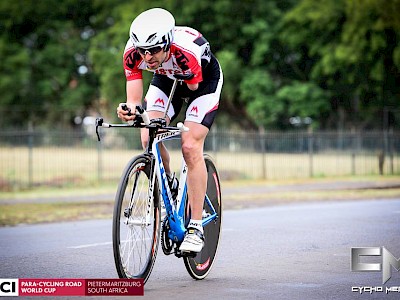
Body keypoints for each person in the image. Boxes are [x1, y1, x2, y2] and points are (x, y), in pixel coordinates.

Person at [116, 7, 223, 253]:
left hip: (201, 82)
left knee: (189, 145)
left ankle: (196, 227)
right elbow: (134, 98)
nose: (147, 56)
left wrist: (178, 123)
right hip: (167, 78)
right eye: (143, 50)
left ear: (167, 42)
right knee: (147, 134)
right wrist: (130, 110)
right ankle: (169, 183)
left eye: (153, 50)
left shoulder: (187, 51)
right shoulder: (133, 53)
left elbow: (192, 87)